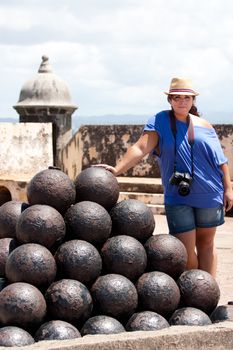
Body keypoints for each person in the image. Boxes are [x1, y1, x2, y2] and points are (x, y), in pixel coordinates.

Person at [94, 77, 233, 278]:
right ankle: (197, 289)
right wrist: (117, 169)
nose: (182, 102)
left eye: (187, 97)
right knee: (184, 251)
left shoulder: (205, 125)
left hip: (209, 191)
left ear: (193, 100)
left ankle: (209, 294)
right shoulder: (159, 121)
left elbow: (220, 160)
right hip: (178, 193)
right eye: (177, 97)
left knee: (207, 244)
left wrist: (228, 188)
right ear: (170, 100)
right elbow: (141, 147)